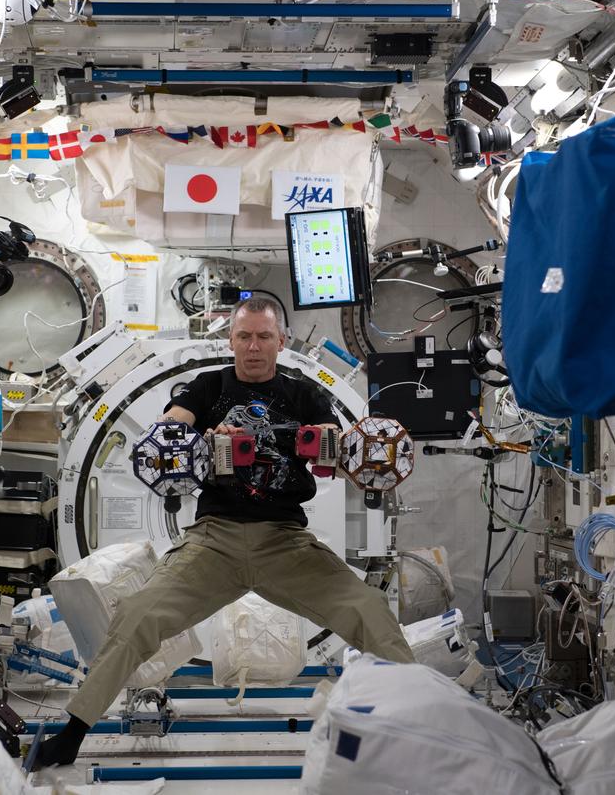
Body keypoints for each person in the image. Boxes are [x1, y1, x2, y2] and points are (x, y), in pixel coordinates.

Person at [32, 296, 414, 768]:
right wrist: (188, 438)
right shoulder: (206, 386)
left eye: (264, 337)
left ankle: (424, 724)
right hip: (214, 540)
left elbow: (333, 447)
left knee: (371, 610)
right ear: (231, 340)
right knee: (137, 615)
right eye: (244, 336)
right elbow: (174, 423)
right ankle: (73, 733)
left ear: (280, 342)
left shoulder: (303, 394)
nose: (253, 347)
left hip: (285, 543)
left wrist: (346, 449)